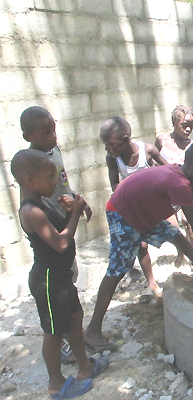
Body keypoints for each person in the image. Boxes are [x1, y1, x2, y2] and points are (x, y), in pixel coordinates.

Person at [83, 142, 193, 353]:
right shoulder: (179, 184)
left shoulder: (185, 176)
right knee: (117, 269)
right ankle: (92, 330)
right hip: (124, 213)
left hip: (142, 212)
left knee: (176, 236)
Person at [11, 149, 109, 399]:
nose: (56, 181)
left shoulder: (43, 201)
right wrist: (74, 213)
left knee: (75, 319)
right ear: (29, 180)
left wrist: (68, 212)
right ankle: (55, 383)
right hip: (48, 281)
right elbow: (61, 243)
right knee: (54, 333)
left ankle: (84, 367)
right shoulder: (30, 211)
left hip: (61, 277)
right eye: (50, 176)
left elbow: (62, 229)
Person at [21, 105, 93, 363]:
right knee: (60, 289)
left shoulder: (54, 152)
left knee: (69, 277)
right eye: (45, 134)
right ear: (28, 136)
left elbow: (63, 182)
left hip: (62, 217)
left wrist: (76, 202)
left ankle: (73, 334)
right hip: (54, 229)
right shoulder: (31, 168)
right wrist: (71, 214)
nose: (53, 137)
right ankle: (64, 340)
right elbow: (59, 243)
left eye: (54, 130)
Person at [100, 116, 167, 303]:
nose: (107, 149)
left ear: (126, 140)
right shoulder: (113, 159)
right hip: (129, 207)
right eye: (105, 145)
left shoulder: (147, 151)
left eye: (111, 144)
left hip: (150, 206)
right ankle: (151, 282)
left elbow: (169, 169)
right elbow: (115, 185)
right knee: (141, 245)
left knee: (172, 233)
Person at [155, 105, 193, 266]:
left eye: (191, 125)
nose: (188, 129)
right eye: (184, 125)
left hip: (185, 190)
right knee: (173, 227)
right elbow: (153, 158)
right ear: (174, 122)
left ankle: (192, 256)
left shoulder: (192, 145)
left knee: (189, 223)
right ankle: (181, 251)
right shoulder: (162, 140)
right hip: (165, 193)